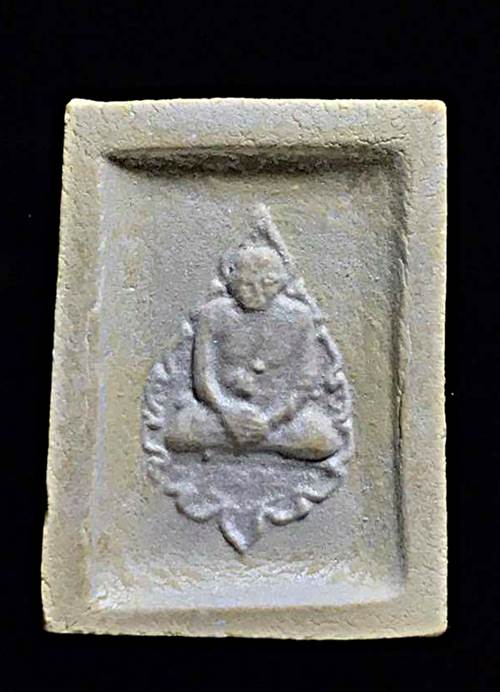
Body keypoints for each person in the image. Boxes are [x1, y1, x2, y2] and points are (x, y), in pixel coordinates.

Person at [165, 244, 341, 461]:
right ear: (233, 281)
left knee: (324, 438)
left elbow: (305, 382)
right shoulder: (214, 314)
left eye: (268, 283)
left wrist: (269, 420)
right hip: (223, 415)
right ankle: (256, 442)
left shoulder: (299, 317)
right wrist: (227, 412)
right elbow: (204, 377)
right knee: (179, 430)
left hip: (278, 417)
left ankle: (243, 442)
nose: (257, 292)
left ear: (282, 282)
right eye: (248, 284)